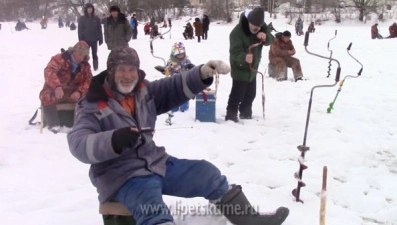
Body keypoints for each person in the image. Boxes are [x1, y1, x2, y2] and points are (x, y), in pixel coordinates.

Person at [67, 46, 289, 225]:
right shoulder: (92, 103)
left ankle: (250, 221)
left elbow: (172, 87)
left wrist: (202, 73)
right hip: (122, 176)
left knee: (207, 173)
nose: (127, 75)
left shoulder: (143, 91)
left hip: (156, 163)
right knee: (152, 209)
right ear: (111, 72)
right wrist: (113, 140)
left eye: (131, 70)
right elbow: (78, 142)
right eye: (122, 70)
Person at [226, 7, 274, 122]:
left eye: (258, 27)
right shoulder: (236, 32)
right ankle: (230, 116)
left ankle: (246, 114)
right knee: (237, 95)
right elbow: (234, 52)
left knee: (251, 94)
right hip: (240, 68)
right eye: (254, 26)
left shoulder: (262, 27)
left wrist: (265, 36)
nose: (256, 28)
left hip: (252, 70)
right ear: (249, 22)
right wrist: (244, 57)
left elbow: (271, 40)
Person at [39, 41, 92, 133]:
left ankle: (78, 126)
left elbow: (88, 81)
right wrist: (57, 86)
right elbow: (49, 71)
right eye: (79, 54)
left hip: (71, 93)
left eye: (83, 55)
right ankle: (53, 126)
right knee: (46, 96)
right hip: (54, 90)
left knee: (87, 99)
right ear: (74, 51)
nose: (81, 57)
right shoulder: (59, 59)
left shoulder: (85, 66)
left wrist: (79, 92)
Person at [78, 3, 103, 71]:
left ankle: (96, 68)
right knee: (85, 54)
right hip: (85, 40)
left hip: (94, 39)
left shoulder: (96, 18)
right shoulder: (82, 18)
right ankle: (84, 68)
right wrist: (80, 40)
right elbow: (80, 30)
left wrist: (101, 38)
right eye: (88, 8)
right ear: (86, 9)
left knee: (94, 53)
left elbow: (99, 29)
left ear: (93, 9)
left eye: (91, 8)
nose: (90, 9)